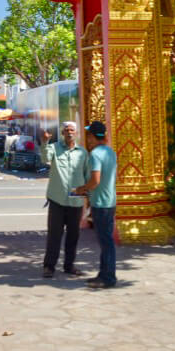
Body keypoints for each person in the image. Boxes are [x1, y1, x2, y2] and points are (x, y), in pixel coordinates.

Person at [39, 121, 89, 277]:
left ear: (76, 133)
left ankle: (69, 266)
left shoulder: (82, 152)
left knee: (73, 235)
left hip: (75, 198)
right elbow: (44, 158)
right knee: (54, 234)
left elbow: (86, 175)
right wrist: (45, 141)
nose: (69, 133)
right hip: (57, 199)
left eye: (72, 130)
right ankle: (49, 266)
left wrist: (88, 198)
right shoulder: (54, 148)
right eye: (66, 130)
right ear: (62, 133)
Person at [79, 120, 117, 288]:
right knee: (105, 240)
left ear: (93, 137)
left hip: (101, 203)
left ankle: (108, 278)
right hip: (109, 201)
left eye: (89, 135)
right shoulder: (110, 152)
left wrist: (82, 188)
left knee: (106, 242)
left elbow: (95, 180)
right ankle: (104, 274)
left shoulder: (95, 154)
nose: (88, 139)